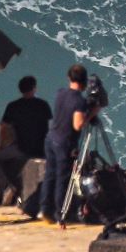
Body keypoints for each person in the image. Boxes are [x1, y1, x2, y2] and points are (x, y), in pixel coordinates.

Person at [39, 66, 88, 223]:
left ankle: (45, 209)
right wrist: (92, 112)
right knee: (62, 179)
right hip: (64, 143)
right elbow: (78, 125)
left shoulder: (60, 93)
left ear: (69, 78)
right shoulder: (79, 101)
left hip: (51, 137)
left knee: (49, 175)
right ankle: (61, 213)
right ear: (84, 81)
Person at [0, 76, 52, 196]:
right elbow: (50, 128)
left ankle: (7, 186)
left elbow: (3, 126)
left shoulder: (13, 106)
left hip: (21, 149)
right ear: (34, 88)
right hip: (41, 150)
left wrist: (1, 145)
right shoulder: (43, 105)